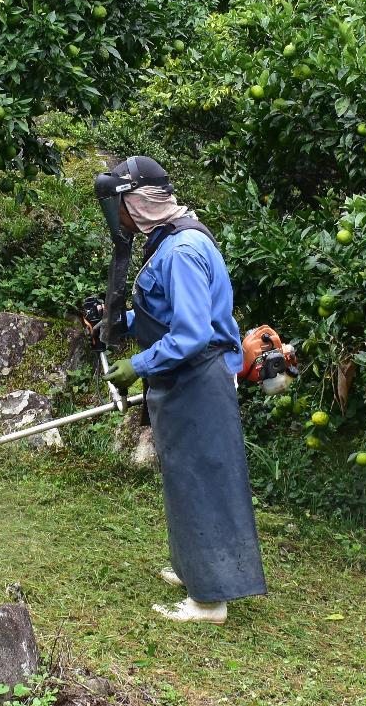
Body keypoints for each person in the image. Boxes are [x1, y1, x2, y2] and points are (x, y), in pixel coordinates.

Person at [94, 156, 266, 624]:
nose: (119, 218)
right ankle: (194, 568)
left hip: (198, 377)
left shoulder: (182, 250)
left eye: (120, 206)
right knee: (183, 476)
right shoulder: (169, 239)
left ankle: (209, 600)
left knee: (203, 480)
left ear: (139, 201)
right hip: (181, 379)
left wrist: (138, 364)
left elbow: (190, 334)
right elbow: (167, 316)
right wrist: (115, 323)